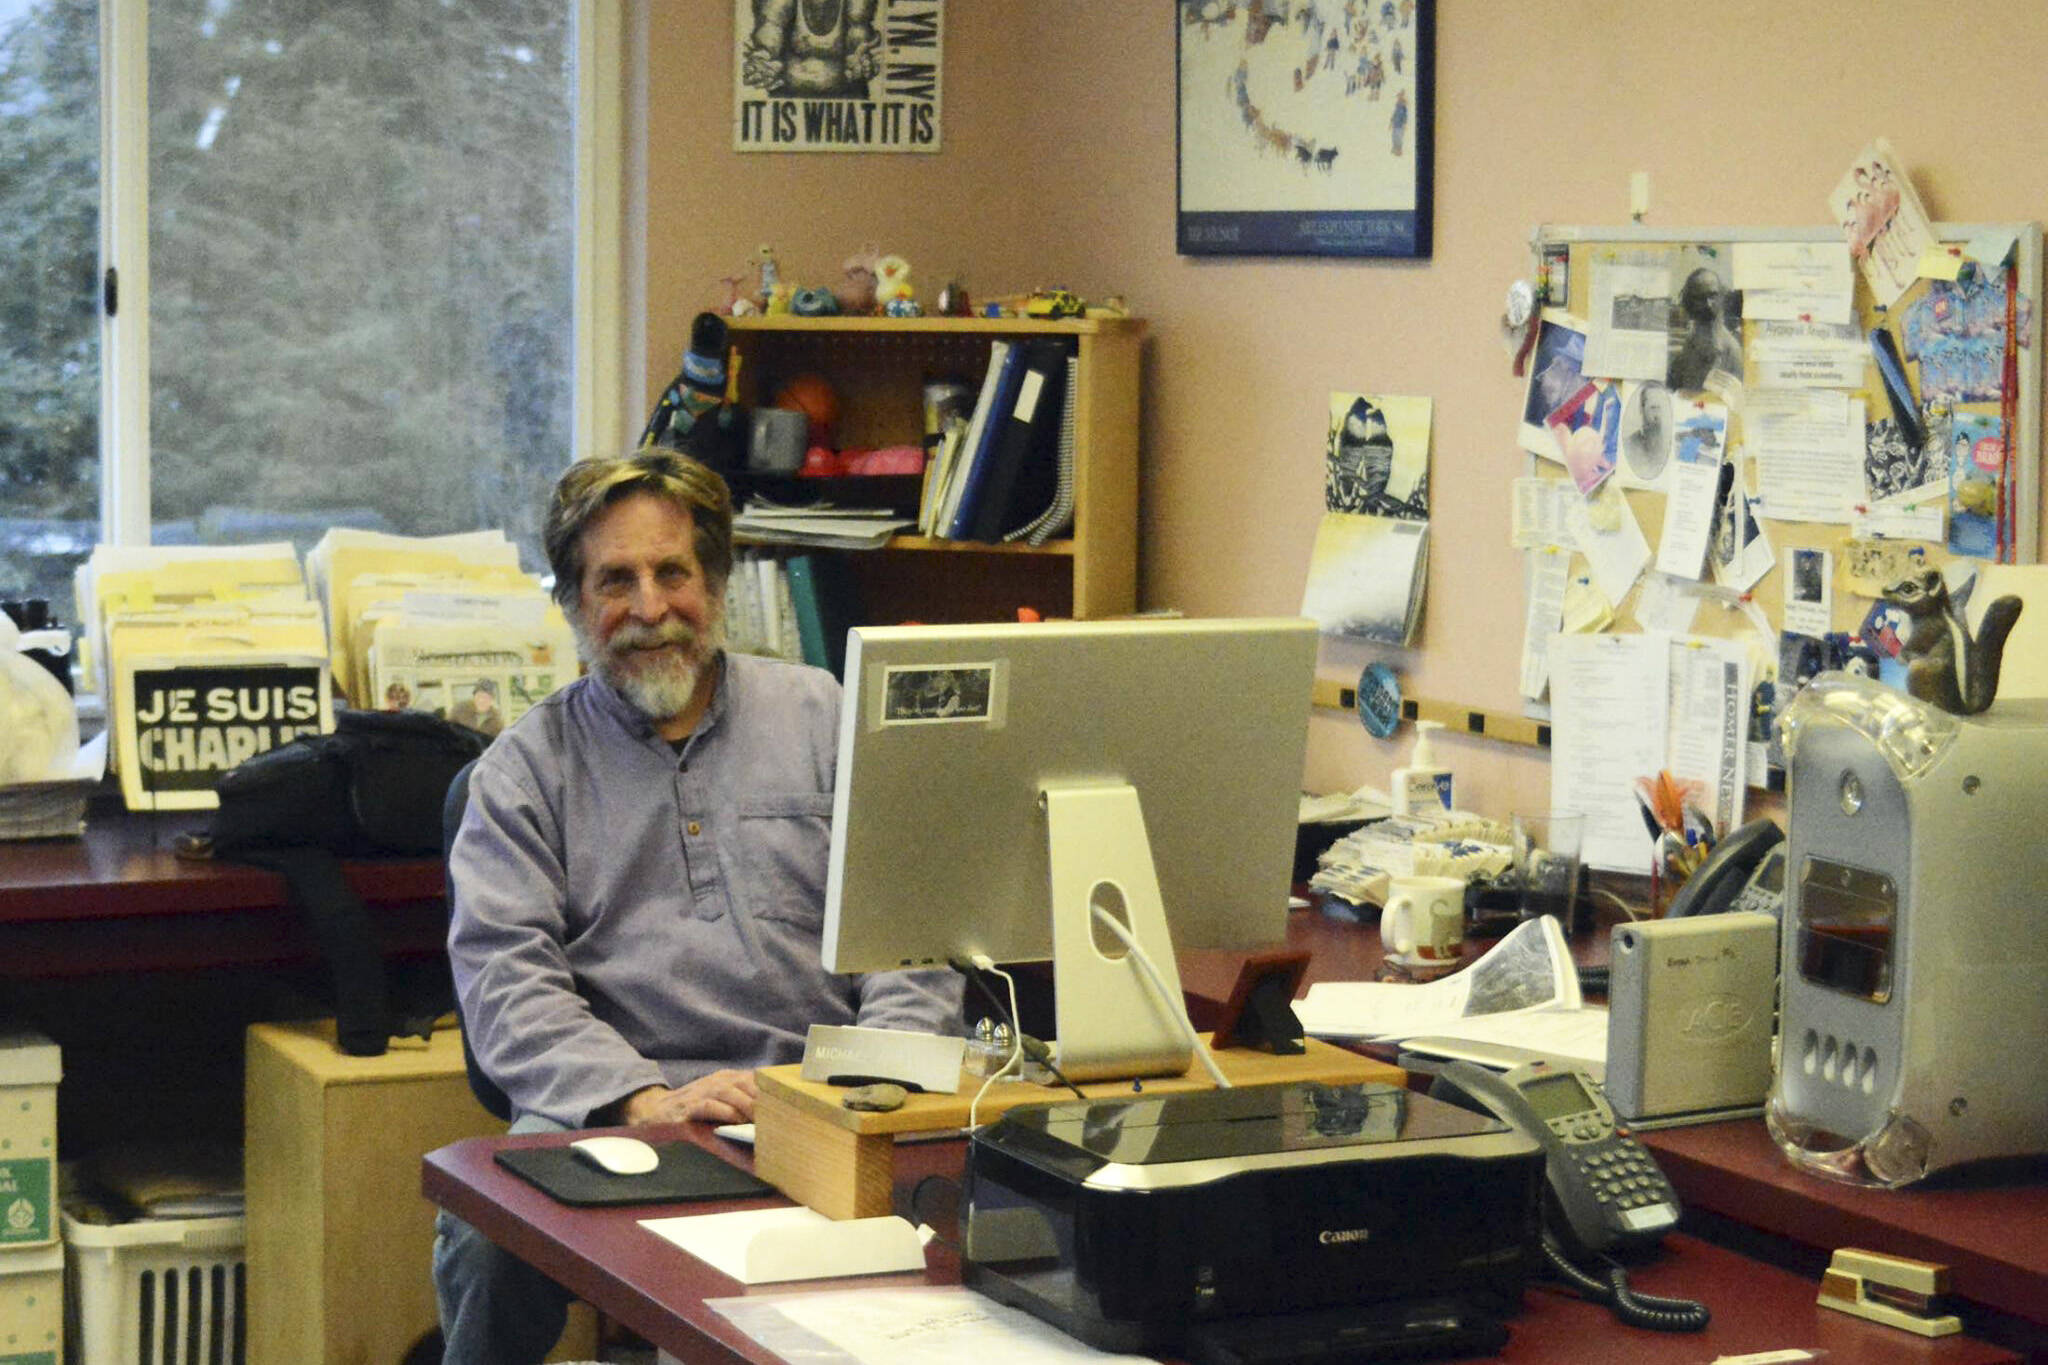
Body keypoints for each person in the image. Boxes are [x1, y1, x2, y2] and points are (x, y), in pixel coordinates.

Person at [433, 448, 962, 1365]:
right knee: (487, 1239)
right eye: (614, 580)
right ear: (570, 601)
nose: (648, 609)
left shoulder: (825, 718)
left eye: (672, 572)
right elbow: (506, 987)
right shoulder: (522, 772)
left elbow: (913, 937)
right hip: (616, 1103)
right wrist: (643, 1098)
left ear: (714, 582)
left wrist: (868, 1091)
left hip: (821, 1092)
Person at [1666, 267, 1744, 392]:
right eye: (1700, 298)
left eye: (1713, 296)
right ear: (1689, 302)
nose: (1708, 304)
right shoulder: (1689, 345)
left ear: (1721, 297)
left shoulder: (1730, 350)